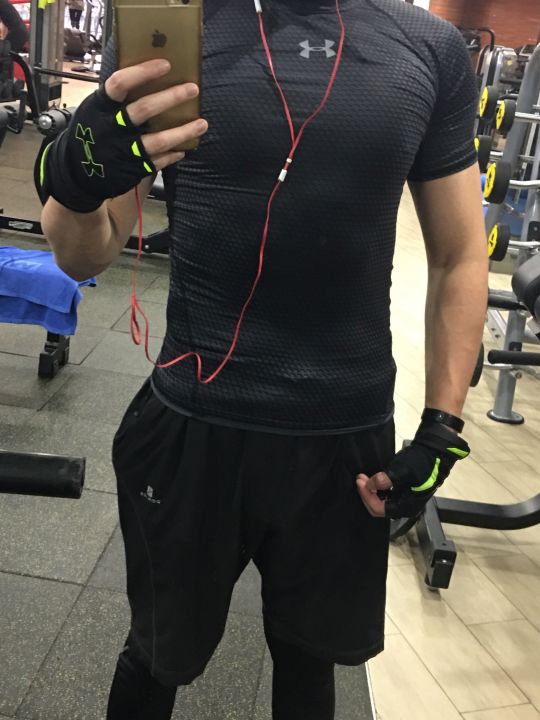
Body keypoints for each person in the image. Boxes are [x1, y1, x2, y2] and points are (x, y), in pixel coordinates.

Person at [34, 0, 488, 717]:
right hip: (192, 424)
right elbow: (84, 252)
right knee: (156, 654)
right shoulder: (177, 30)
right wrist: (76, 180)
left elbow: (460, 256)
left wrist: (443, 426)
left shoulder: (429, 48)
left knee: (310, 667)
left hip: (345, 442)